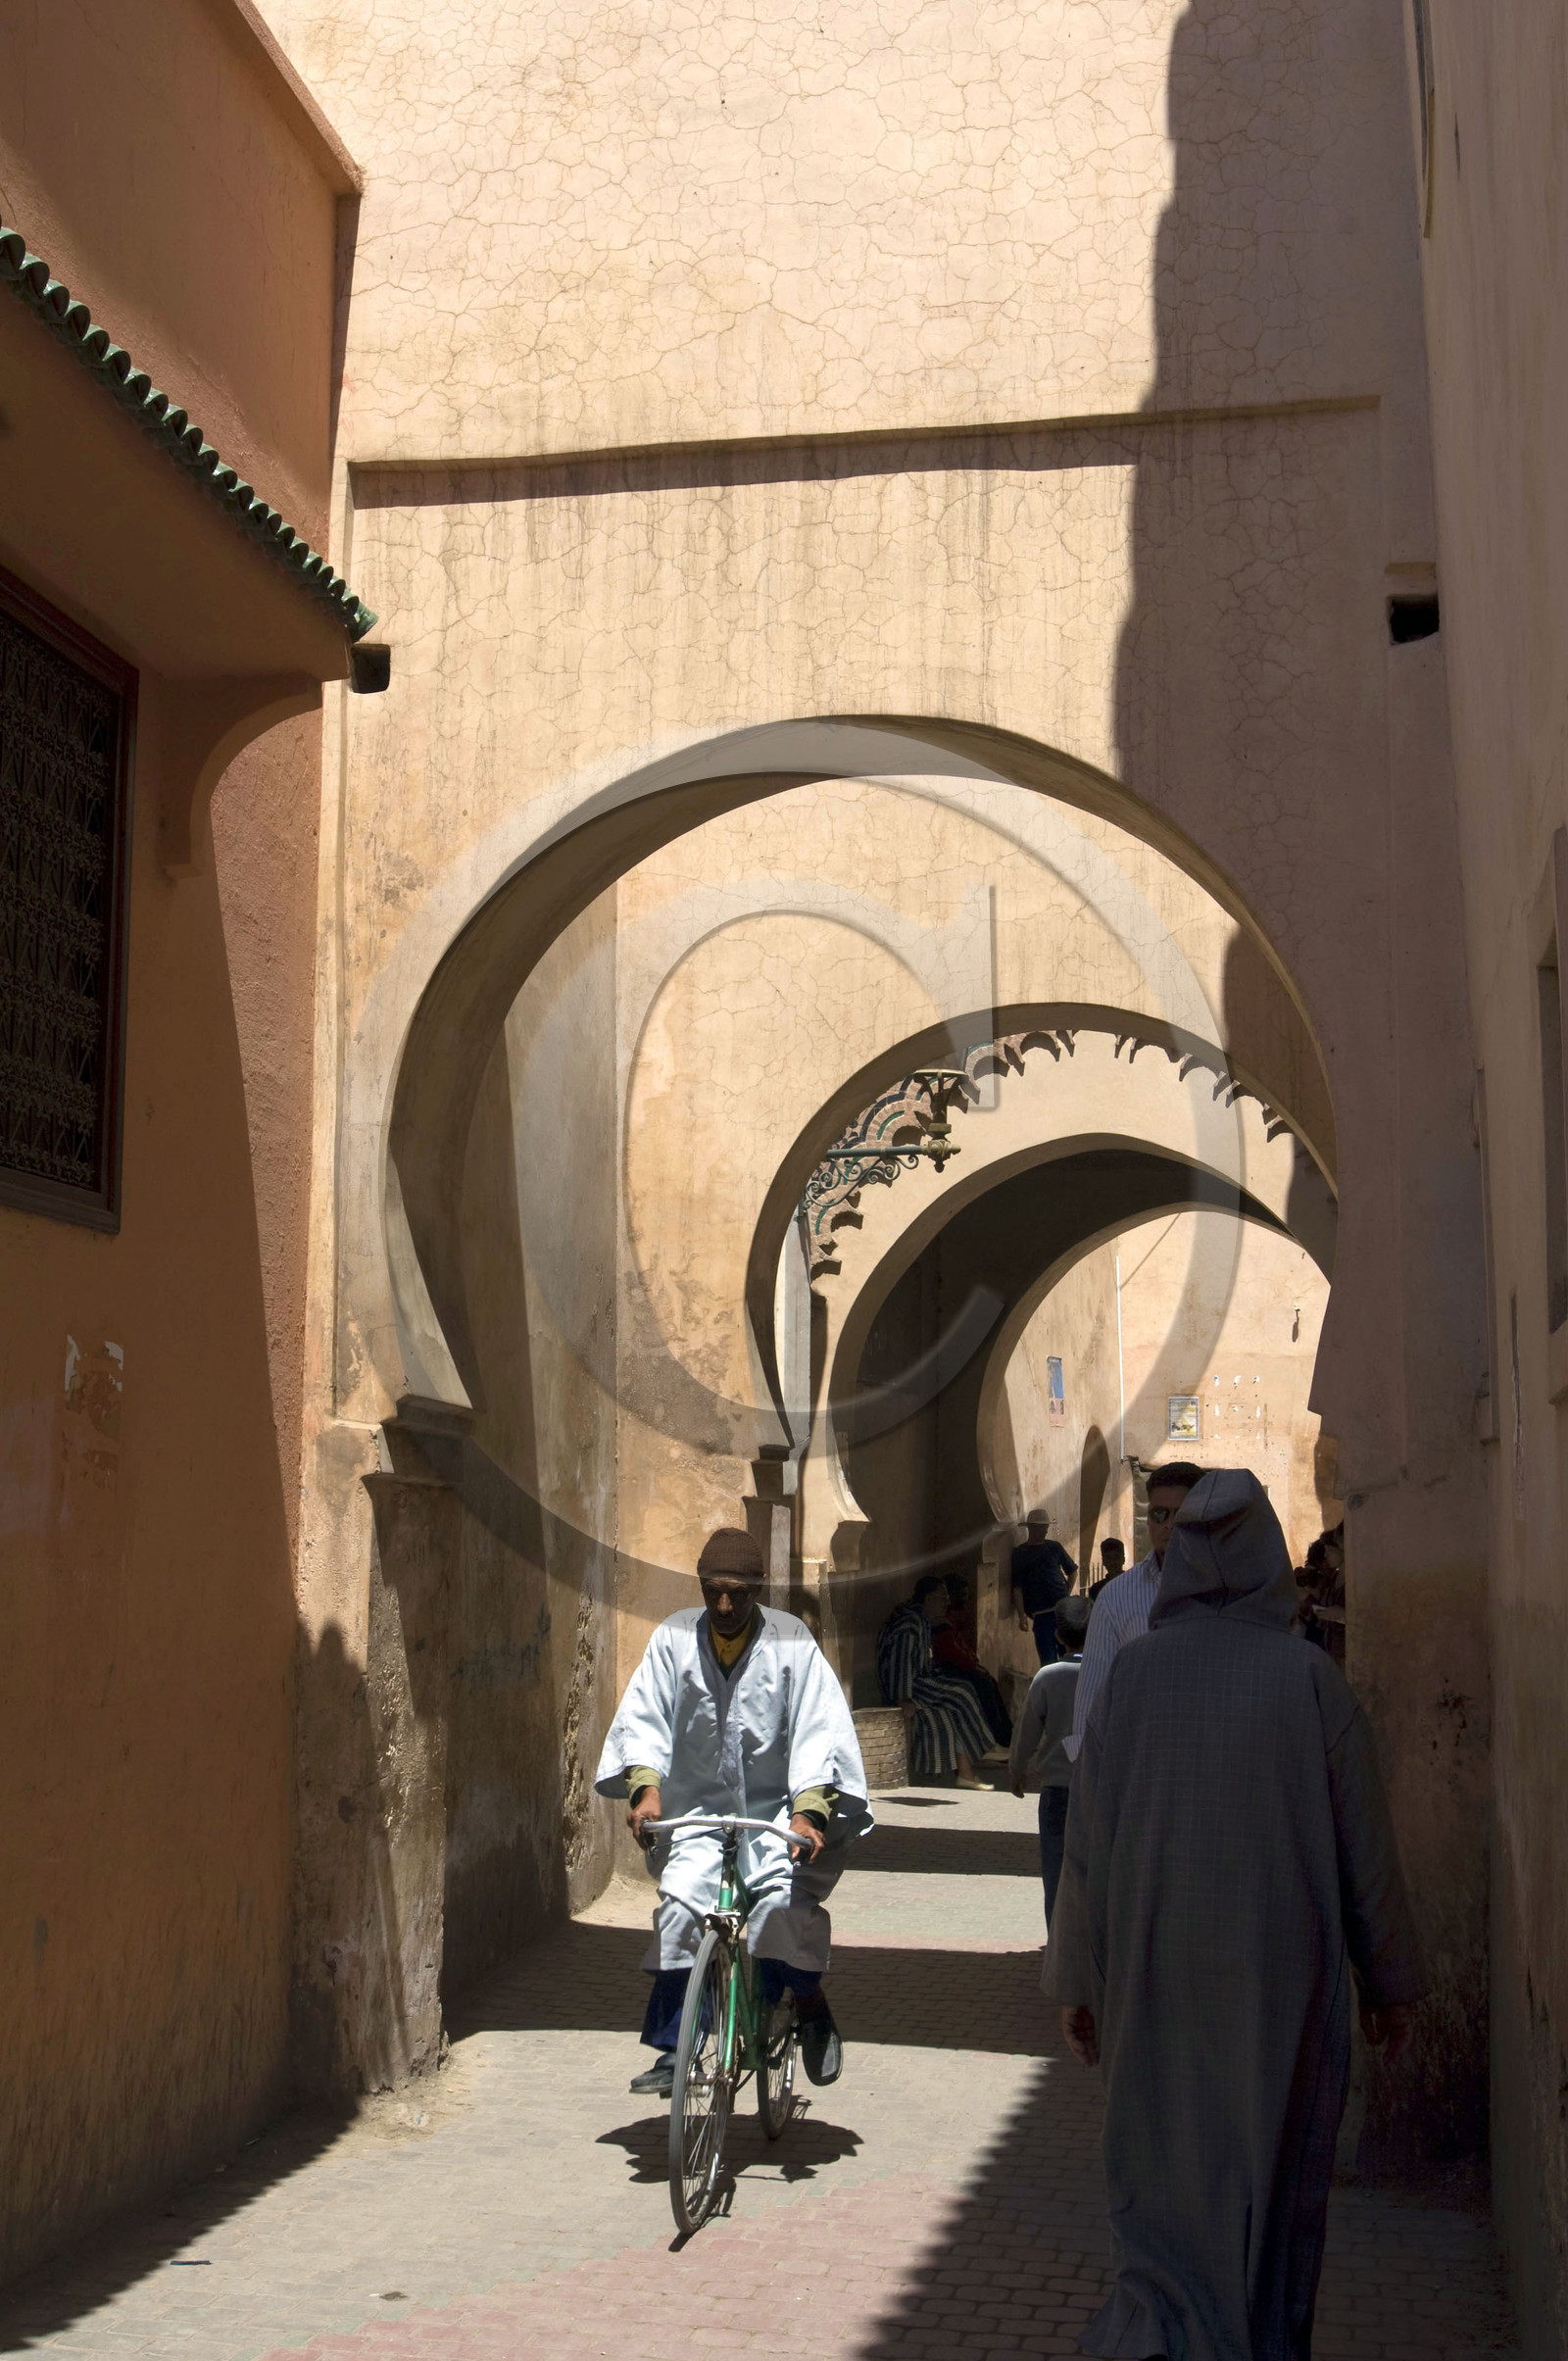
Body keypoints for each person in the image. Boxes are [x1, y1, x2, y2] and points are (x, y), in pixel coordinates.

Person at [1045, 1470, 1424, 2361]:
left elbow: (1086, 1851)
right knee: (1272, 2175)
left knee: (1159, 2170)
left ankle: (1159, 2333)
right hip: (1277, 1987)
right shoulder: (1311, 1682)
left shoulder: (1131, 1680)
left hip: (1152, 1978)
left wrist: (1077, 1983)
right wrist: (1388, 1982)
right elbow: (1364, 1850)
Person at [595, 1526, 871, 2100]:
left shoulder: (793, 1641)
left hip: (776, 1815)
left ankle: (809, 2004)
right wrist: (646, 1789)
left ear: (758, 1590)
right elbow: (644, 1717)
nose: (724, 1606)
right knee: (678, 1913)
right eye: (714, 1591)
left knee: (778, 1913)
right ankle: (676, 2049)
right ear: (700, 1586)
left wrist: (810, 1813)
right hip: (699, 1815)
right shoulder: (673, 1639)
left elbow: (818, 1733)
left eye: (738, 1594)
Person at [1065, 1462, 1201, 1761]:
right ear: (1149, 1519)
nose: (1169, 1524)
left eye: (1181, 1515)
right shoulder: (1118, 1597)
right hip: (1141, 1759)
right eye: (1159, 1514)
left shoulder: (1232, 1592)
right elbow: (1094, 1689)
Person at [1008, 1592, 1092, 1925]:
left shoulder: (1047, 1677)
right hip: (1100, 1788)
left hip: (1057, 1788)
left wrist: (1017, 1769)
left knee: (1056, 1868)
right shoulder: (1113, 1671)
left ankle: (1057, 1939)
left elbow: (1026, 1731)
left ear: (1057, 1634)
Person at [877, 1574, 993, 1788]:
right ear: (928, 1598)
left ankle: (966, 1774)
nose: (947, 1602)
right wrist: (904, 1698)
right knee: (962, 1693)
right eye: (942, 1597)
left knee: (954, 1706)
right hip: (909, 1686)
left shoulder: (922, 1620)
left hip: (920, 1680)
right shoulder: (909, 1623)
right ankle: (982, 1750)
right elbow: (900, 1663)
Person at [928, 1574, 1012, 1748]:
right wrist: (973, 1664)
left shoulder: (951, 1619)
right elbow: (952, 1652)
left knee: (988, 1682)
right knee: (983, 1685)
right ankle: (998, 1738)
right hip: (947, 1669)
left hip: (958, 1665)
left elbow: (961, 1647)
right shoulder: (942, 1622)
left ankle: (1005, 1736)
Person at [1009, 1510, 1077, 1662]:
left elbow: (1072, 1571)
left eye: (1046, 1526)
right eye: (1042, 1527)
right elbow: (1017, 1587)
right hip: (1040, 1615)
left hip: (1061, 1612)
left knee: (1068, 1656)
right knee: (1048, 1660)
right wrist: (1021, 1616)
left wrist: (1067, 1593)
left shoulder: (1055, 1547)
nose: (1045, 1530)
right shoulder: (1020, 1553)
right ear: (1031, 1528)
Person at [1088, 1536, 1126, 1601]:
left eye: (1116, 1558)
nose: (1113, 1562)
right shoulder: (1096, 1590)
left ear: (1123, 1560)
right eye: (1109, 1558)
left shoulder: (1133, 1585)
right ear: (1103, 1561)